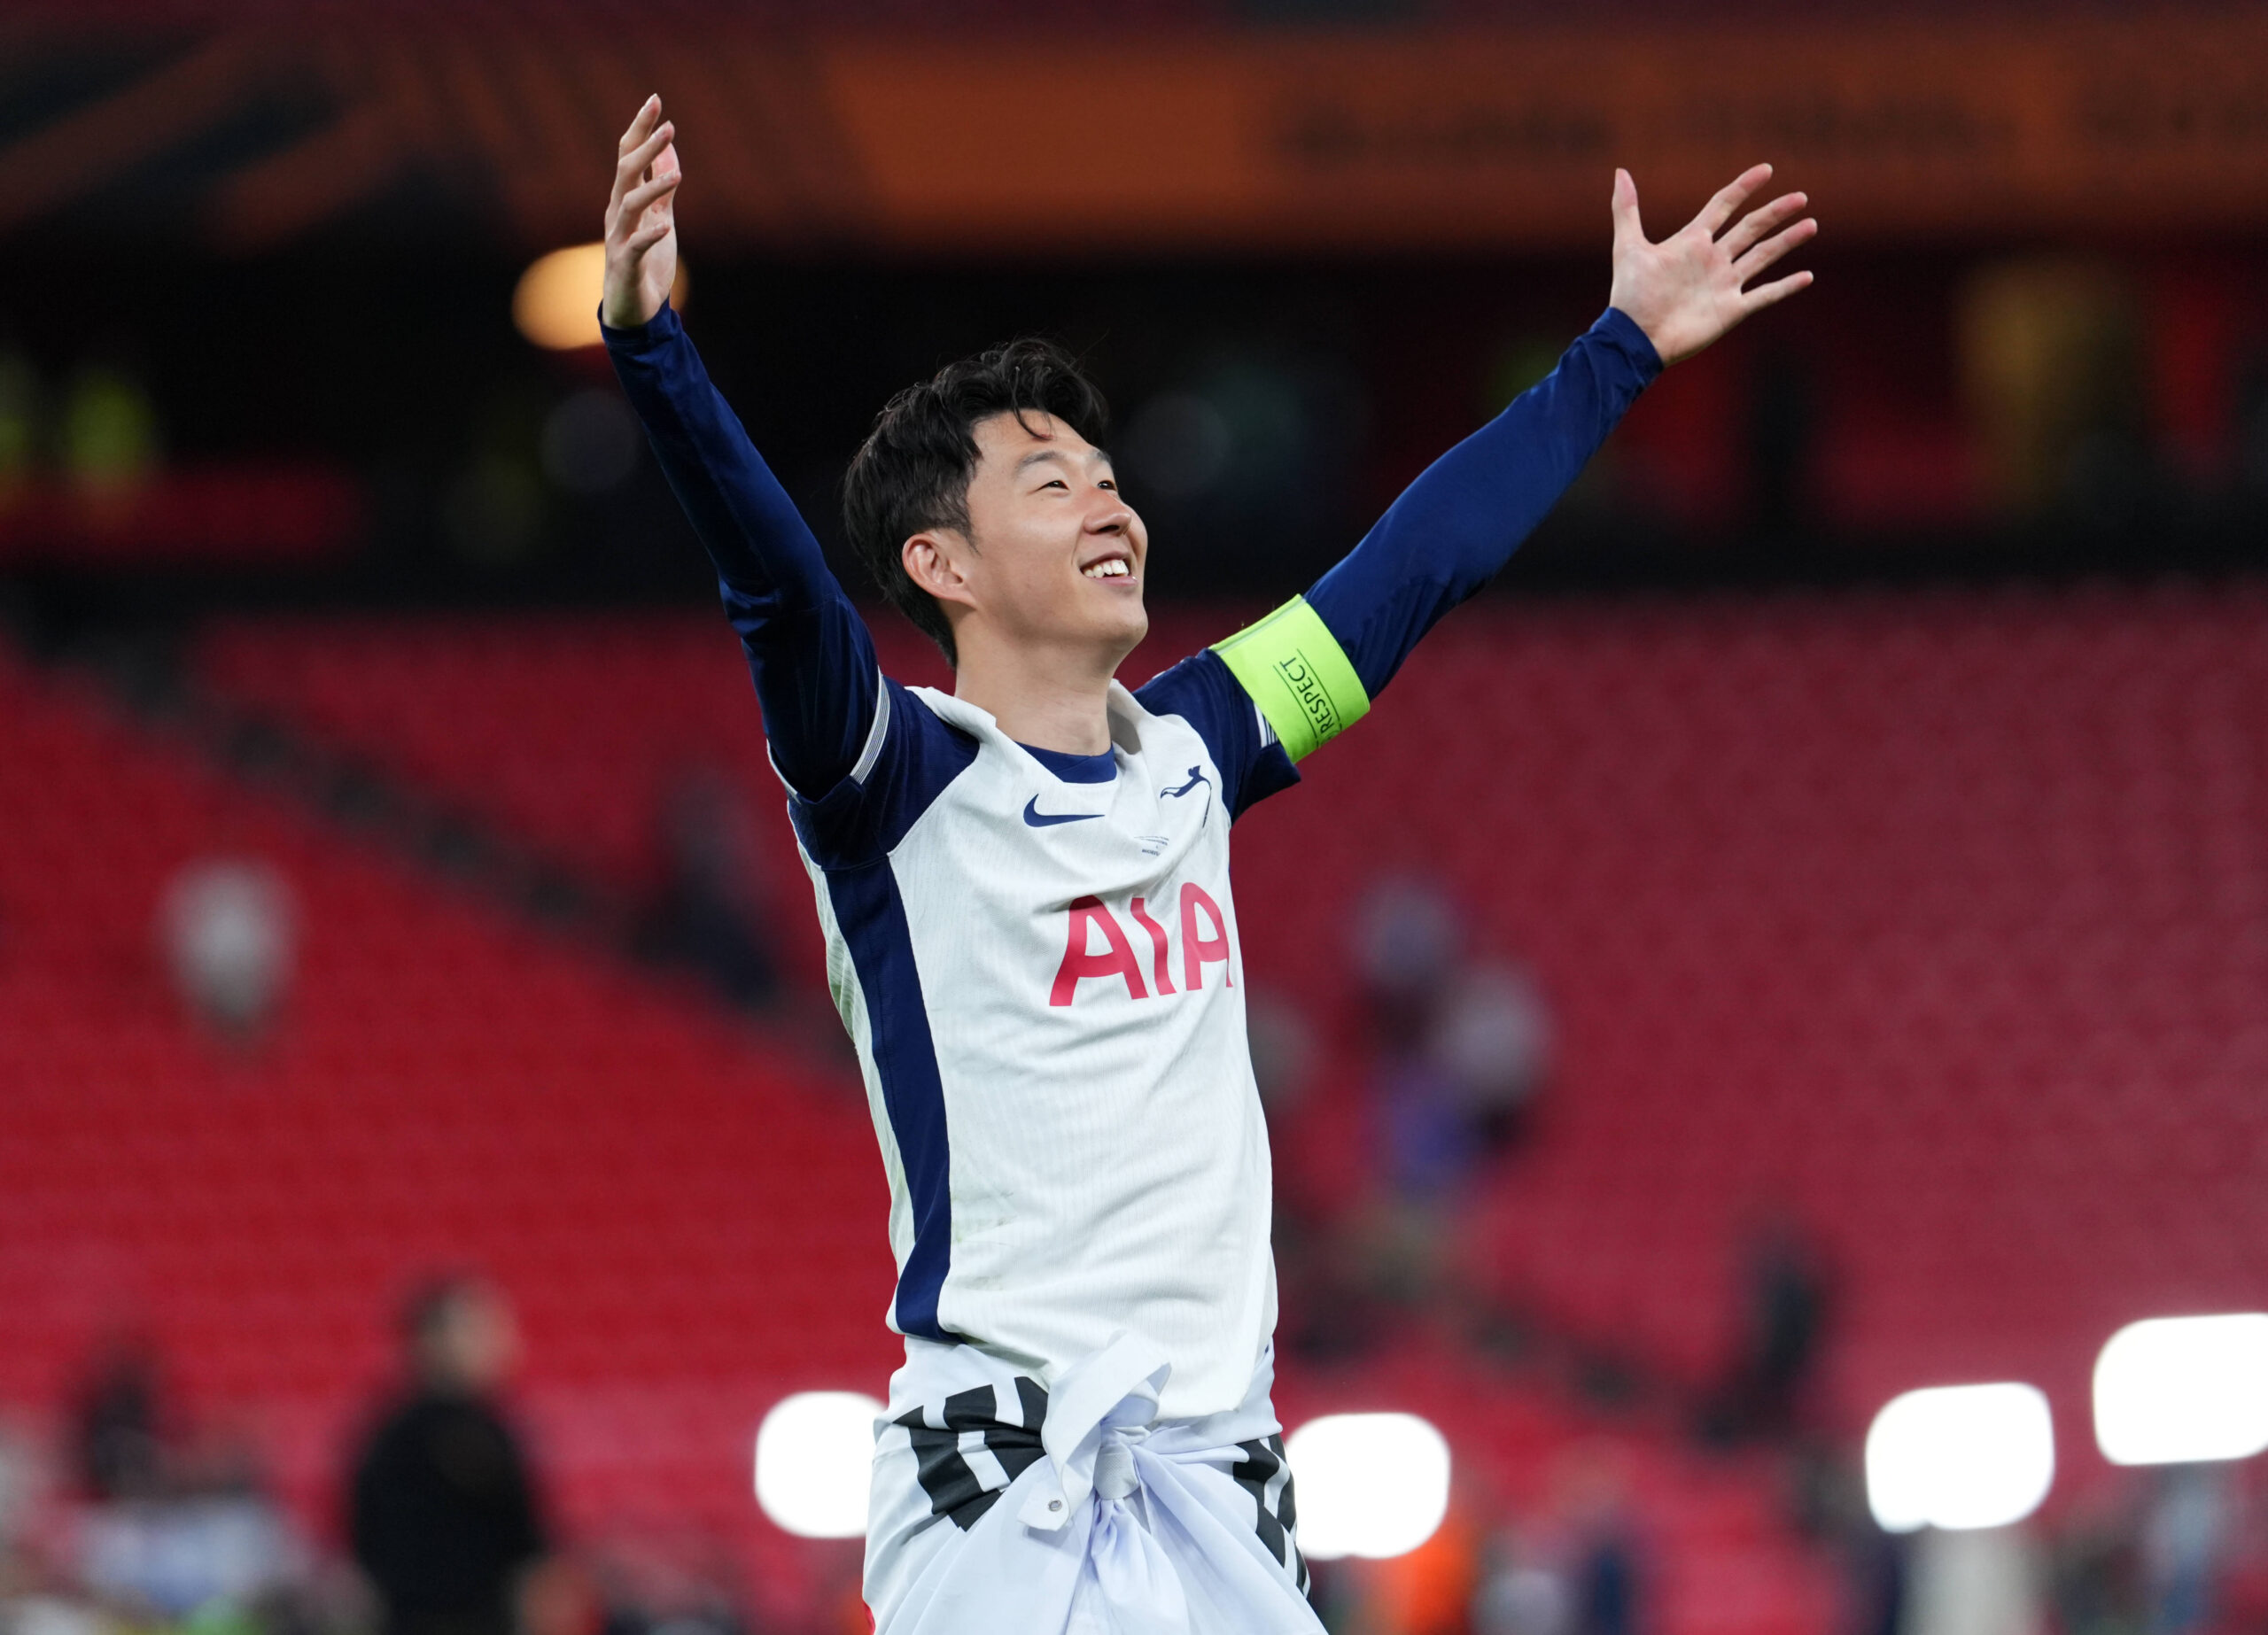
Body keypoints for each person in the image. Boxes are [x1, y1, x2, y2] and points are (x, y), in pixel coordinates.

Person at [597, 91, 1815, 1635]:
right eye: (1051, 481)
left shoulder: (1195, 747)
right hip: (1004, 1481)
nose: (1108, 499)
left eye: (1108, 474)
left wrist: (1619, 346)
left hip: (1226, 1480)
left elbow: (1415, 568)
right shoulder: (897, 782)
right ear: (939, 563)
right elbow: (775, 589)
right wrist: (652, 345)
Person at [348, 1279, 548, 1635]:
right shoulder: (398, 1437)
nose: (495, 1343)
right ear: (432, 1341)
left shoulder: (491, 1427)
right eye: (478, 1330)